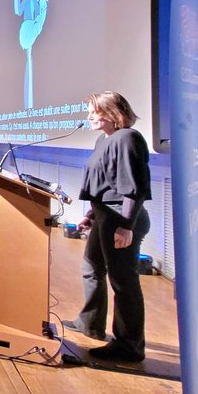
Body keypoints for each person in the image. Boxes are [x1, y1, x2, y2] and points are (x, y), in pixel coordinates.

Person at [62, 92, 152, 362]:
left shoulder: (127, 138)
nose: (89, 116)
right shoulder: (104, 139)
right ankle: (90, 322)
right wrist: (92, 215)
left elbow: (134, 187)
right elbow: (105, 183)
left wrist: (126, 226)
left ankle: (129, 346)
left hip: (121, 219)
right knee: (91, 268)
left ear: (112, 112)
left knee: (123, 282)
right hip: (105, 215)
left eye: (94, 111)